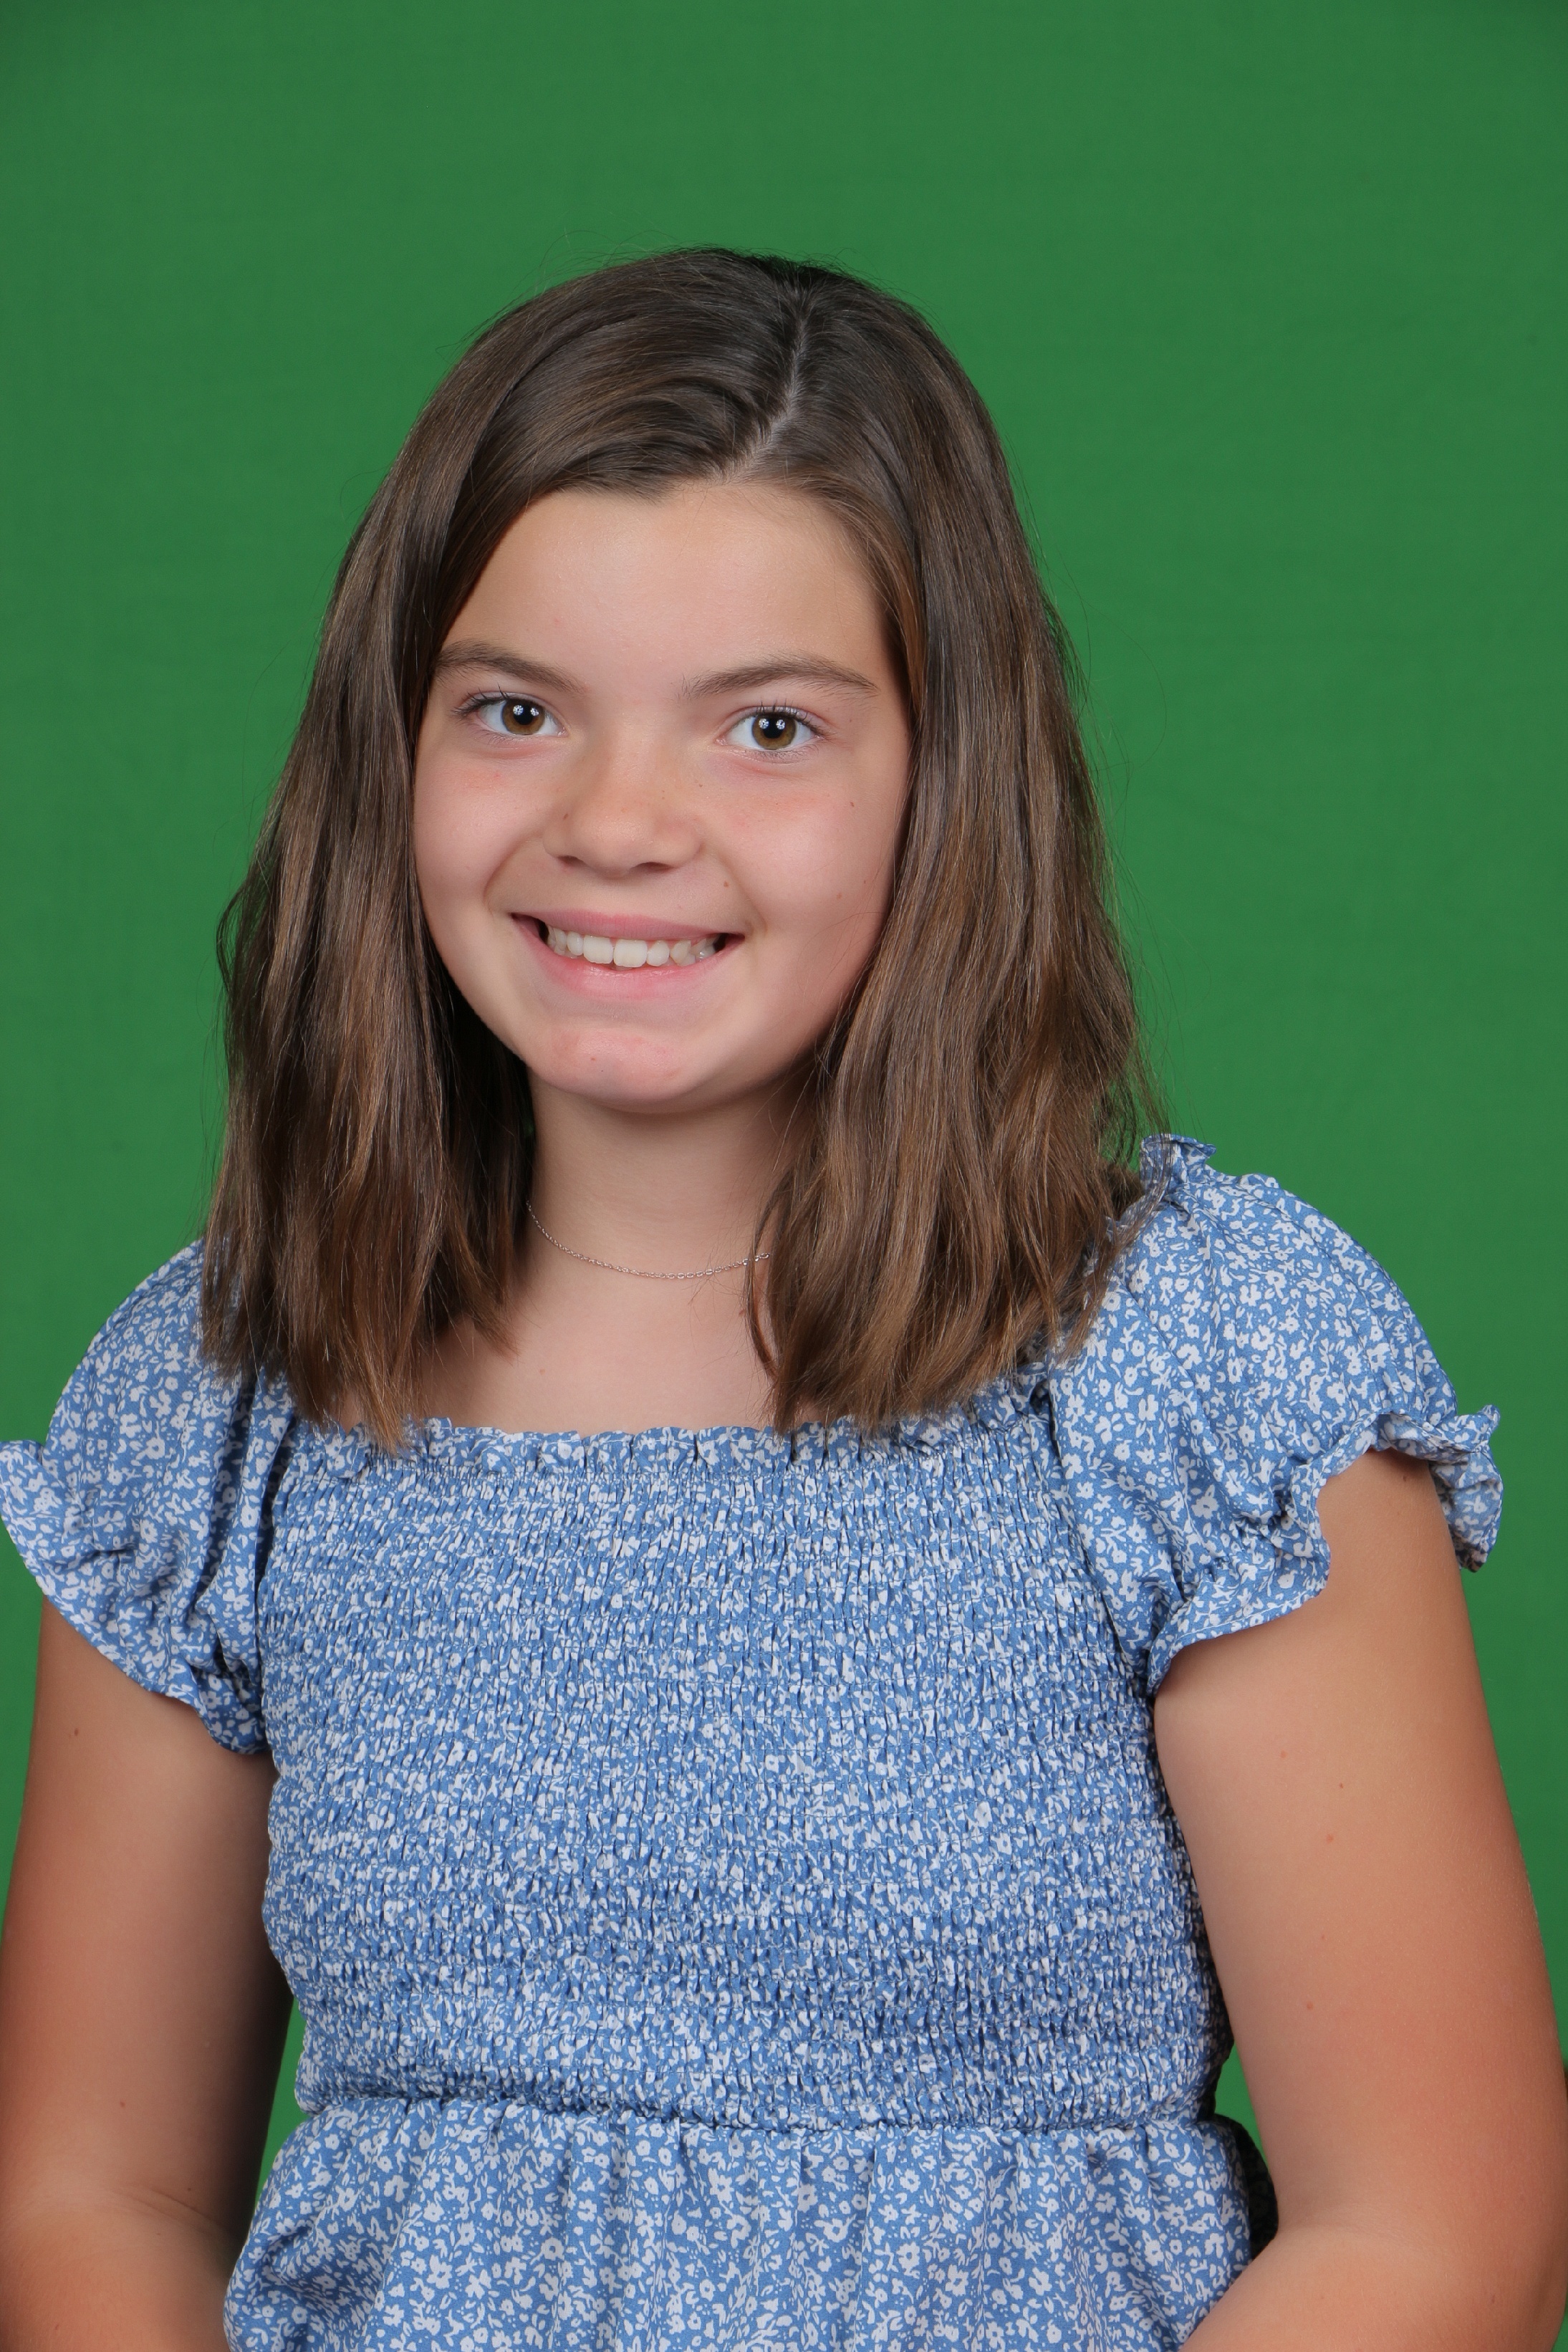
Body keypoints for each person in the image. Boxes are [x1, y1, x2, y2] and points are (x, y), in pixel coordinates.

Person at [0, 249, 1563, 2352]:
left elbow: (1439, 2235)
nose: (619, 825)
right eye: (516, 710)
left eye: (767, 727)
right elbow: (94, 2196)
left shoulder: (1196, 1367)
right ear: (392, 748)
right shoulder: (229, 1395)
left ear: (946, 777)